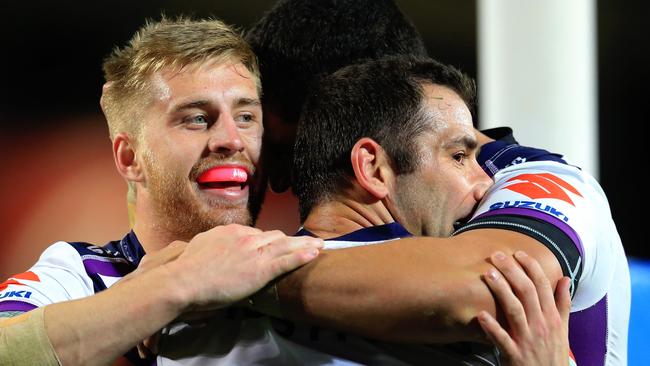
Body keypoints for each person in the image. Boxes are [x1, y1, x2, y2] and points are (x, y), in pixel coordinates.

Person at [247, 1, 629, 365]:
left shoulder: (539, 180)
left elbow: (484, 290)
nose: (281, 178)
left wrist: (242, 277)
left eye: (289, 149)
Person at [0, 17, 324, 365]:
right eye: (196, 118)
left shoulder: (309, 269)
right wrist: (177, 285)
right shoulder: (79, 277)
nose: (232, 140)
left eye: (246, 117)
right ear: (130, 157)